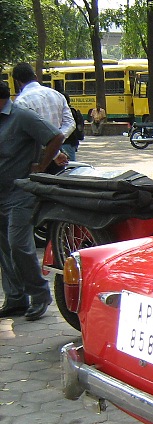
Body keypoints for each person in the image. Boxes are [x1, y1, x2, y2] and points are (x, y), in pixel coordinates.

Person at [0, 81, 64, 321]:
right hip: (1, 192)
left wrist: (42, 166)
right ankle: (15, 298)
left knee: (19, 245)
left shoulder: (21, 116)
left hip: (20, 192)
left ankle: (39, 295)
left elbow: (55, 137)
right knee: (5, 249)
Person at [12, 62, 74, 171]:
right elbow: (70, 123)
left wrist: (52, 147)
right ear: (35, 77)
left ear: (17, 82)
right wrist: (55, 146)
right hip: (57, 157)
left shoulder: (21, 102)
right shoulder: (57, 95)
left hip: (35, 159)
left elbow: (30, 133)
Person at [62, 93, 84, 161]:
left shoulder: (67, 112)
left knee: (69, 164)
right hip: (72, 141)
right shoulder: (73, 110)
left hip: (67, 142)